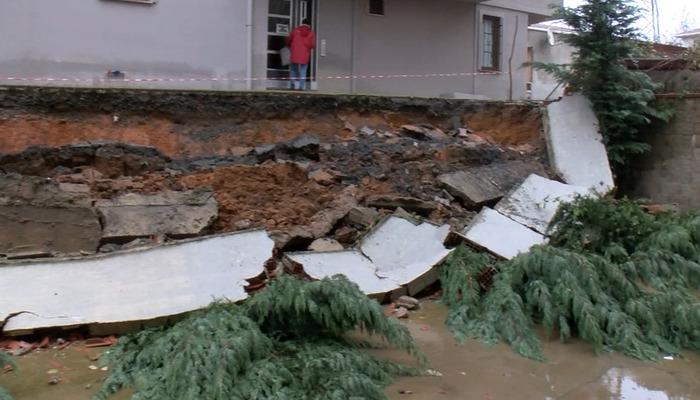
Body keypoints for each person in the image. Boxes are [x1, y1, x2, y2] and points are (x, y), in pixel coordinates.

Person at [285, 18, 315, 90]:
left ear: (302, 23)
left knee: (293, 69)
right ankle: (301, 87)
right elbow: (312, 45)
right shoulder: (311, 33)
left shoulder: (295, 31)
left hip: (294, 53)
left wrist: (290, 46)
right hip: (305, 55)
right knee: (303, 70)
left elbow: (288, 40)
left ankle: (292, 85)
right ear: (309, 25)